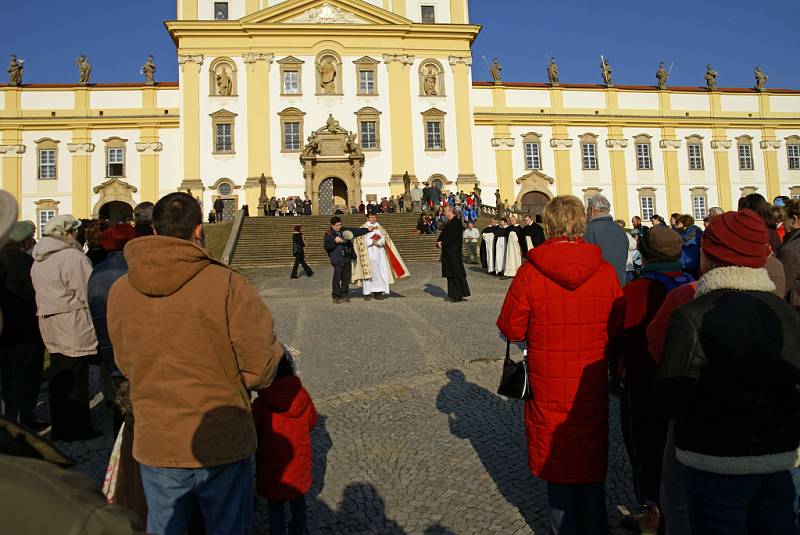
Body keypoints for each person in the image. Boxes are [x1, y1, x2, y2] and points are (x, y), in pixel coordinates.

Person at [107, 192, 284, 535]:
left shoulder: (121, 290)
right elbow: (260, 367)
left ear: (154, 230)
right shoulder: (228, 283)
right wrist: (230, 382)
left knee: (164, 525)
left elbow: (124, 361)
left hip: (156, 433)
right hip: (221, 435)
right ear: (199, 230)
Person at [654, 209, 800, 535]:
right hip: (778, 457)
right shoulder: (784, 313)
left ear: (710, 256)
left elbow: (671, 397)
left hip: (715, 460)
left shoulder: (692, 315)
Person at [496, 195, 623, 535]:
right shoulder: (605, 272)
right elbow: (618, 327)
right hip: (590, 378)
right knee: (589, 451)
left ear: (548, 226)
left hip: (548, 377)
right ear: (581, 224)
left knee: (557, 454)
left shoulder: (531, 271)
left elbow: (510, 326)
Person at [609, 226, 694, 533]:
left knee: (645, 445)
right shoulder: (691, 281)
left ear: (644, 253)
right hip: (685, 380)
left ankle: (653, 511)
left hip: (644, 378)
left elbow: (619, 334)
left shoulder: (637, 289)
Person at [31, 215, 99, 442]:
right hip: (71, 322)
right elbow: (87, 290)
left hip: (49, 322)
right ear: (67, 233)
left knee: (59, 376)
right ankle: (78, 428)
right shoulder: (71, 257)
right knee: (76, 377)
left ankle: (60, 425)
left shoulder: (40, 258)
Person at [253, 354, 317, 535]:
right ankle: (299, 530)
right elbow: (312, 421)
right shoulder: (302, 396)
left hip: (272, 468)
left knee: (275, 506)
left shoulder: (260, 404)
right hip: (299, 462)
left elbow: (254, 433)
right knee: (298, 502)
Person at [87, 224, 137, 434]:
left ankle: (119, 450)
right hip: (136, 347)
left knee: (121, 403)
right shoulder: (135, 269)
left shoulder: (96, 273)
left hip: (109, 346)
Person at [0, 221, 46, 430]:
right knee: (26, 376)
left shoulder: (3, 257)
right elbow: (34, 292)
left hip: (5, 328)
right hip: (24, 328)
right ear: (24, 240)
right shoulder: (22, 260)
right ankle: (25, 418)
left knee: (8, 376)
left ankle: (11, 414)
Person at [351, 214, 409, 301]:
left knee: (380, 272)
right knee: (368, 273)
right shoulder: (362, 228)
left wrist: (379, 241)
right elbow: (359, 241)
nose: (373, 219)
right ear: (367, 218)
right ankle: (367, 293)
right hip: (368, 253)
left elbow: (385, 238)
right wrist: (371, 241)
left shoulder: (380, 228)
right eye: (371, 217)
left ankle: (378, 292)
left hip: (380, 253)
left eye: (374, 217)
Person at [585, 194, 629, 286]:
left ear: (592, 210)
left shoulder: (588, 230)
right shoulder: (620, 230)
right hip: (620, 284)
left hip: (599, 286)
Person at [323, 217, 370, 304]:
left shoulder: (344, 230)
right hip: (337, 259)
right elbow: (326, 247)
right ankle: (336, 296)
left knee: (346, 278)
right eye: (337, 225)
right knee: (337, 278)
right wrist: (335, 241)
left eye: (340, 224)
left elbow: (356, 231)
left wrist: (367, 229)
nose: (339, 227)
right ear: (332, 225)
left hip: (347, 257)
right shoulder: (328, 234)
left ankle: (344, 295)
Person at [437, 206, 470, 302]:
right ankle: (452, 294)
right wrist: (439, 241)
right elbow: (443, 234)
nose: (444, 213)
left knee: (456, 273)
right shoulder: (448, 223)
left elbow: (452, 236)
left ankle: (458, 294)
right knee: (450, 273)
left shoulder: (456, 222)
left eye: (446, 211)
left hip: (454, 252)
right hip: (448, 251)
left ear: (451, 212)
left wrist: (443, 243)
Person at [777, 199, 800, 310]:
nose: (782, 223)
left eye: (784, 219)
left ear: (794, 220)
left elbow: (781, 288)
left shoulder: (792, 249)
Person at [674, 214, 703, 280]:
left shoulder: (693, 231)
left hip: (690, 263)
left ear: (684, 222)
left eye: (679, 222)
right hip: (685, 262)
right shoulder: (686, 231)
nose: (677, 224)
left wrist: (675, 238)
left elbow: (685, 242)